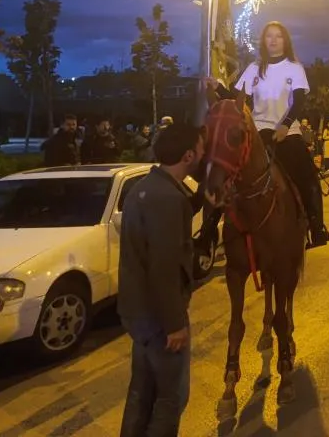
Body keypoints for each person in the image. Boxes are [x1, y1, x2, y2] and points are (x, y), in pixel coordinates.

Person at [207, 21, 329, 249]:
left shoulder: (294, 67)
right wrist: (217, 86)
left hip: (287, 132)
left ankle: (317, 227)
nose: (273, 40)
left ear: (285, 40)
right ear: (263, 41)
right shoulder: (254, 68)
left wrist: (285, 125)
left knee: (308, 176)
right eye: (269, 36)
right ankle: (207, 234)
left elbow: (299, 102)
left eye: (278, 36)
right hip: (257, 132)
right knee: (226, 170)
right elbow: (235, 99)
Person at [118, 123, 205, 437]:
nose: (204, 153)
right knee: (171, 397)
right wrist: (174, 324)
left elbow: (165, 224)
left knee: (141, 393)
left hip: (137, 312)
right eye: (201, 147)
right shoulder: (167, 199)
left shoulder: (146, 187)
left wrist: (203, 202)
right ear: (188, 155)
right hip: (159, 319)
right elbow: (164, 266)